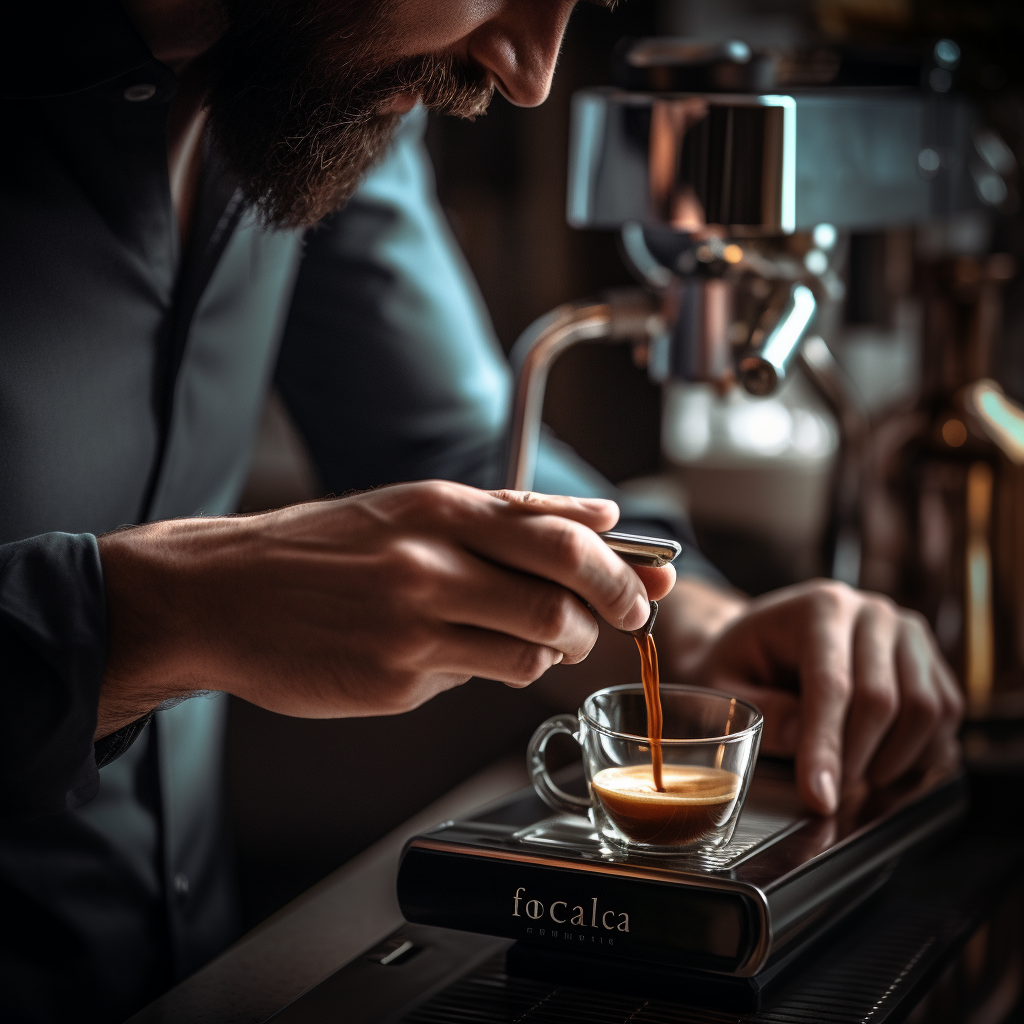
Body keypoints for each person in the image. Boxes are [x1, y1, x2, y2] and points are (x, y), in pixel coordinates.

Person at [1, 0, 962, 1020]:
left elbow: (449, 442)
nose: (529, 71)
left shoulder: (322, 68)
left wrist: (706, 632)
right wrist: (153, 621)